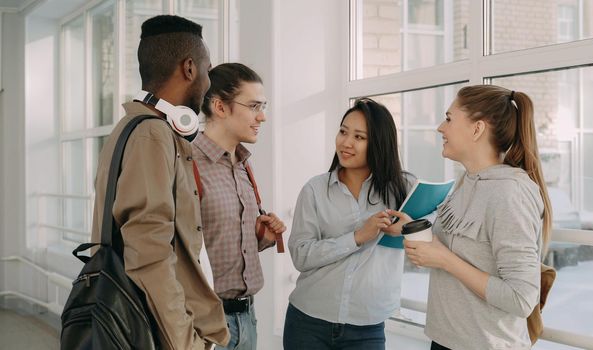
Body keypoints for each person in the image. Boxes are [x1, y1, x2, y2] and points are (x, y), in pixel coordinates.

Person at [91, 15, 229, 349]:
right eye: (207, 70)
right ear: (189, 68)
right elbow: (149, 254)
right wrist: (187, 344)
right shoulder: (153, 134)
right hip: (159, 334)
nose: (209, 82)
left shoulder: (131, 126)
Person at [401, 85, 552, 350]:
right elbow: (466, 248)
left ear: (477, 129)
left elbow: (521, 298)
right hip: (445, 341)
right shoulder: (467, 181)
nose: (440, 128)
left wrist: (444, 259)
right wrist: (411, 232)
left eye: (448, 119)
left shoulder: (509, 193)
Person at [283, 98, 414, 350]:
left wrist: (409, 231)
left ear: (378, 143)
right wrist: (357, 236)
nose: (346, 142)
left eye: (359, 137)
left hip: (368, 326)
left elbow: (432, 235)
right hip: (308, 322)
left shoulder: (404, 188)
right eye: (343, 131)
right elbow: (301, 255)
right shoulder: (315, 190)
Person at [192, 63, 287, 350]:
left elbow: (217, 236)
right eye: (254, 106)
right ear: (219, 107)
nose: (263, 116)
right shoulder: (186, 163)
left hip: (247, 317)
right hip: (205, 322)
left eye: (264, 106)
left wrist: (261, 238)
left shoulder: (244, 164)